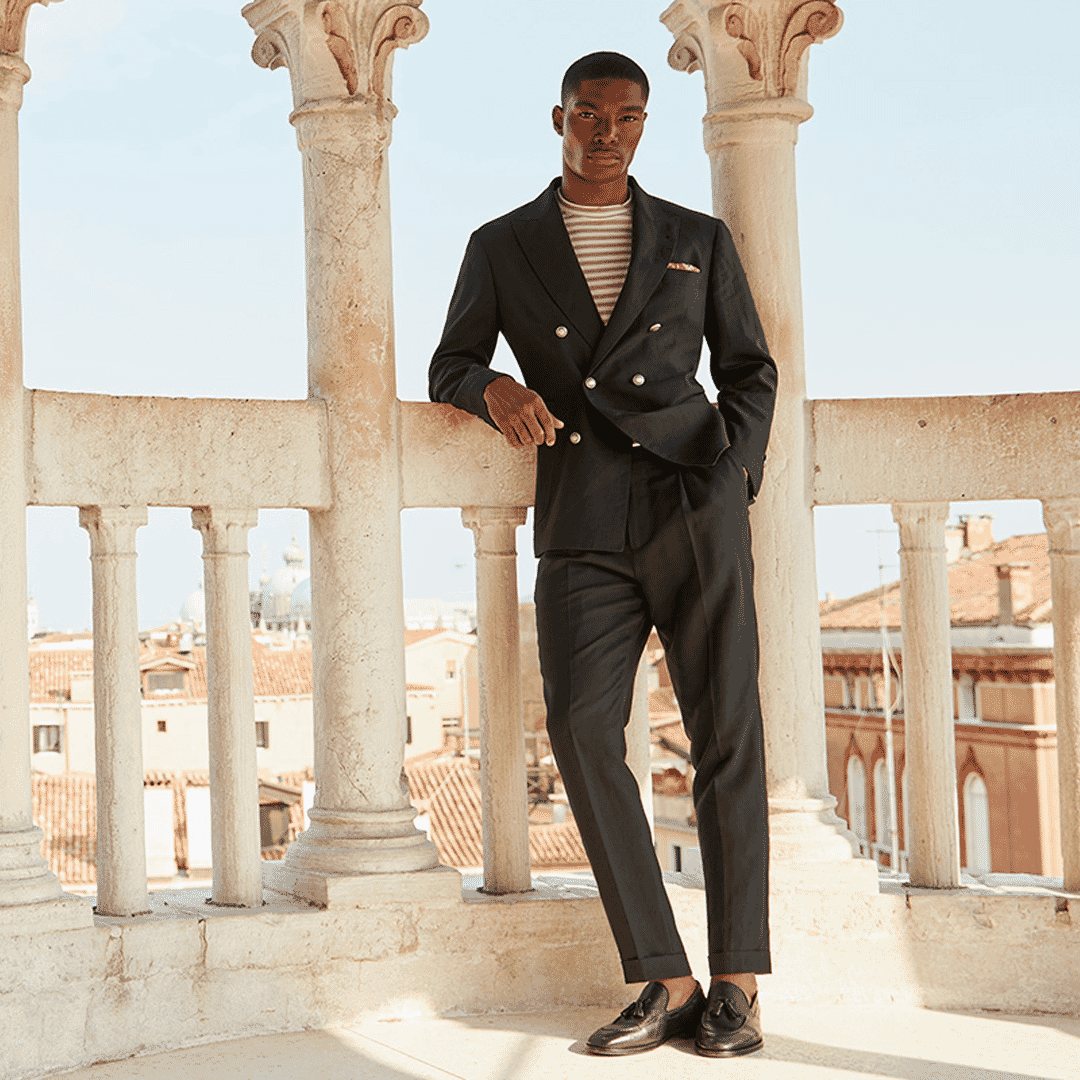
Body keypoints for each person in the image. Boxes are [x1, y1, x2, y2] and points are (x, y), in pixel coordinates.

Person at [428, 50, 777, 1058]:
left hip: (690, 501)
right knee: (582, 731)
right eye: (590, 114)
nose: (608, 131)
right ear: (559, 119)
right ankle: (665, 976)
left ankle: (738, 984)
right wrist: (492, 391)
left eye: (627, 116)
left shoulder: (694, 239)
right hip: (580, 510)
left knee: (726, 738)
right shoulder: (503, 244)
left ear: (643, 125)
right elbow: (452, 357)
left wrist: (733, 476)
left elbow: (751, 368)